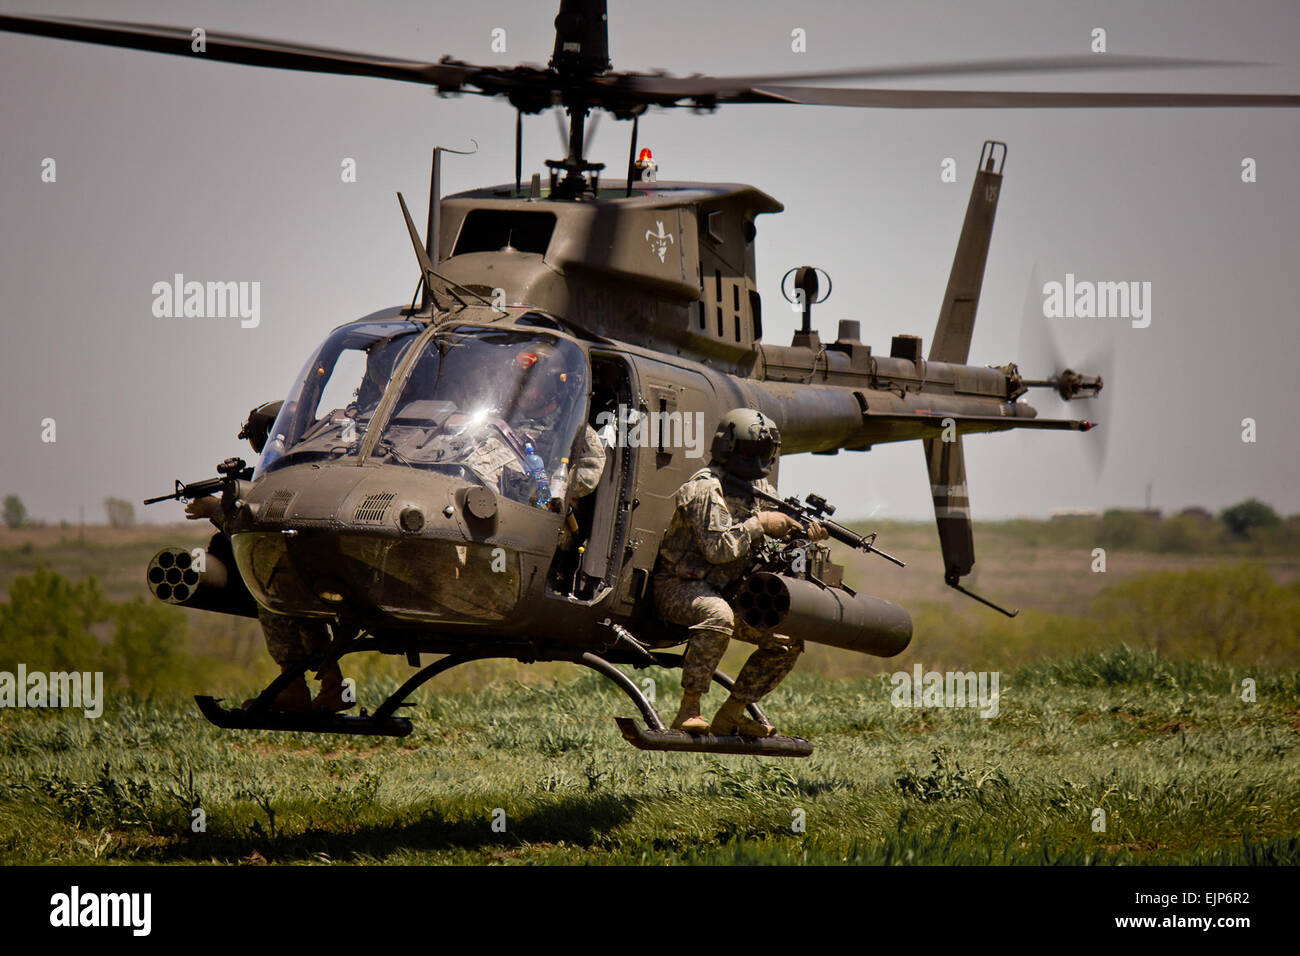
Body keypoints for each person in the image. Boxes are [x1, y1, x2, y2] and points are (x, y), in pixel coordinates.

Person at [653, 408, 825, 737]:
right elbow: (719, 551)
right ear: (728, 448)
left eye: (765, 452)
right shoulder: (706, 489)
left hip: (729, 590)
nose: (758, 460)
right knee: (717, 615)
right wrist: (759, 524)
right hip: (678, 585)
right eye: (751, 451)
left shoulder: (759, 490)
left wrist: (801, 532)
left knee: (788, 638)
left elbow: (776, 529)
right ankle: (689, 708)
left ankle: (732, 713)